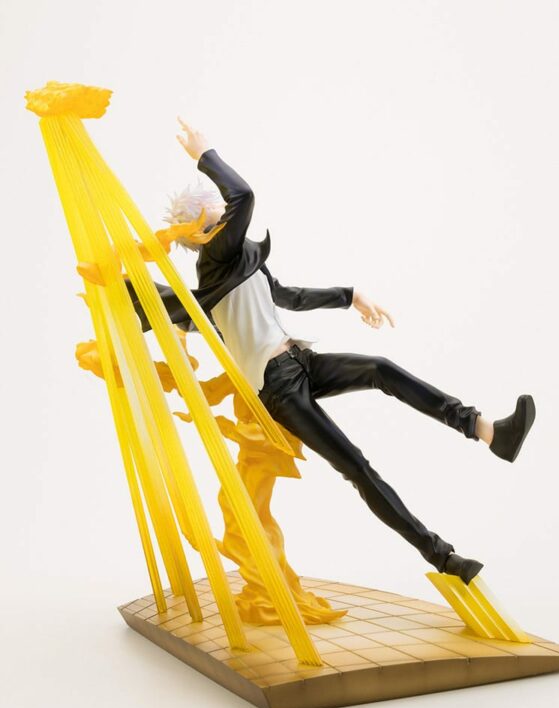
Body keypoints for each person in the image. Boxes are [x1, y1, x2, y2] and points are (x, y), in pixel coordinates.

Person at [127, 118, 536, 585]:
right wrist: (205, 154)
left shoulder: (239, 260)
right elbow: (245, 195)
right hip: (278, 388)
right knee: (357, 466)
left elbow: (288, 296)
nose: (228, 211)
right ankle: (443, 557)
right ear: (204, 224)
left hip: (298, 363)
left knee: (380, 369)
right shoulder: (217, 259)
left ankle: (487, 431)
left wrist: (350, 295)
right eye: (217, 210)